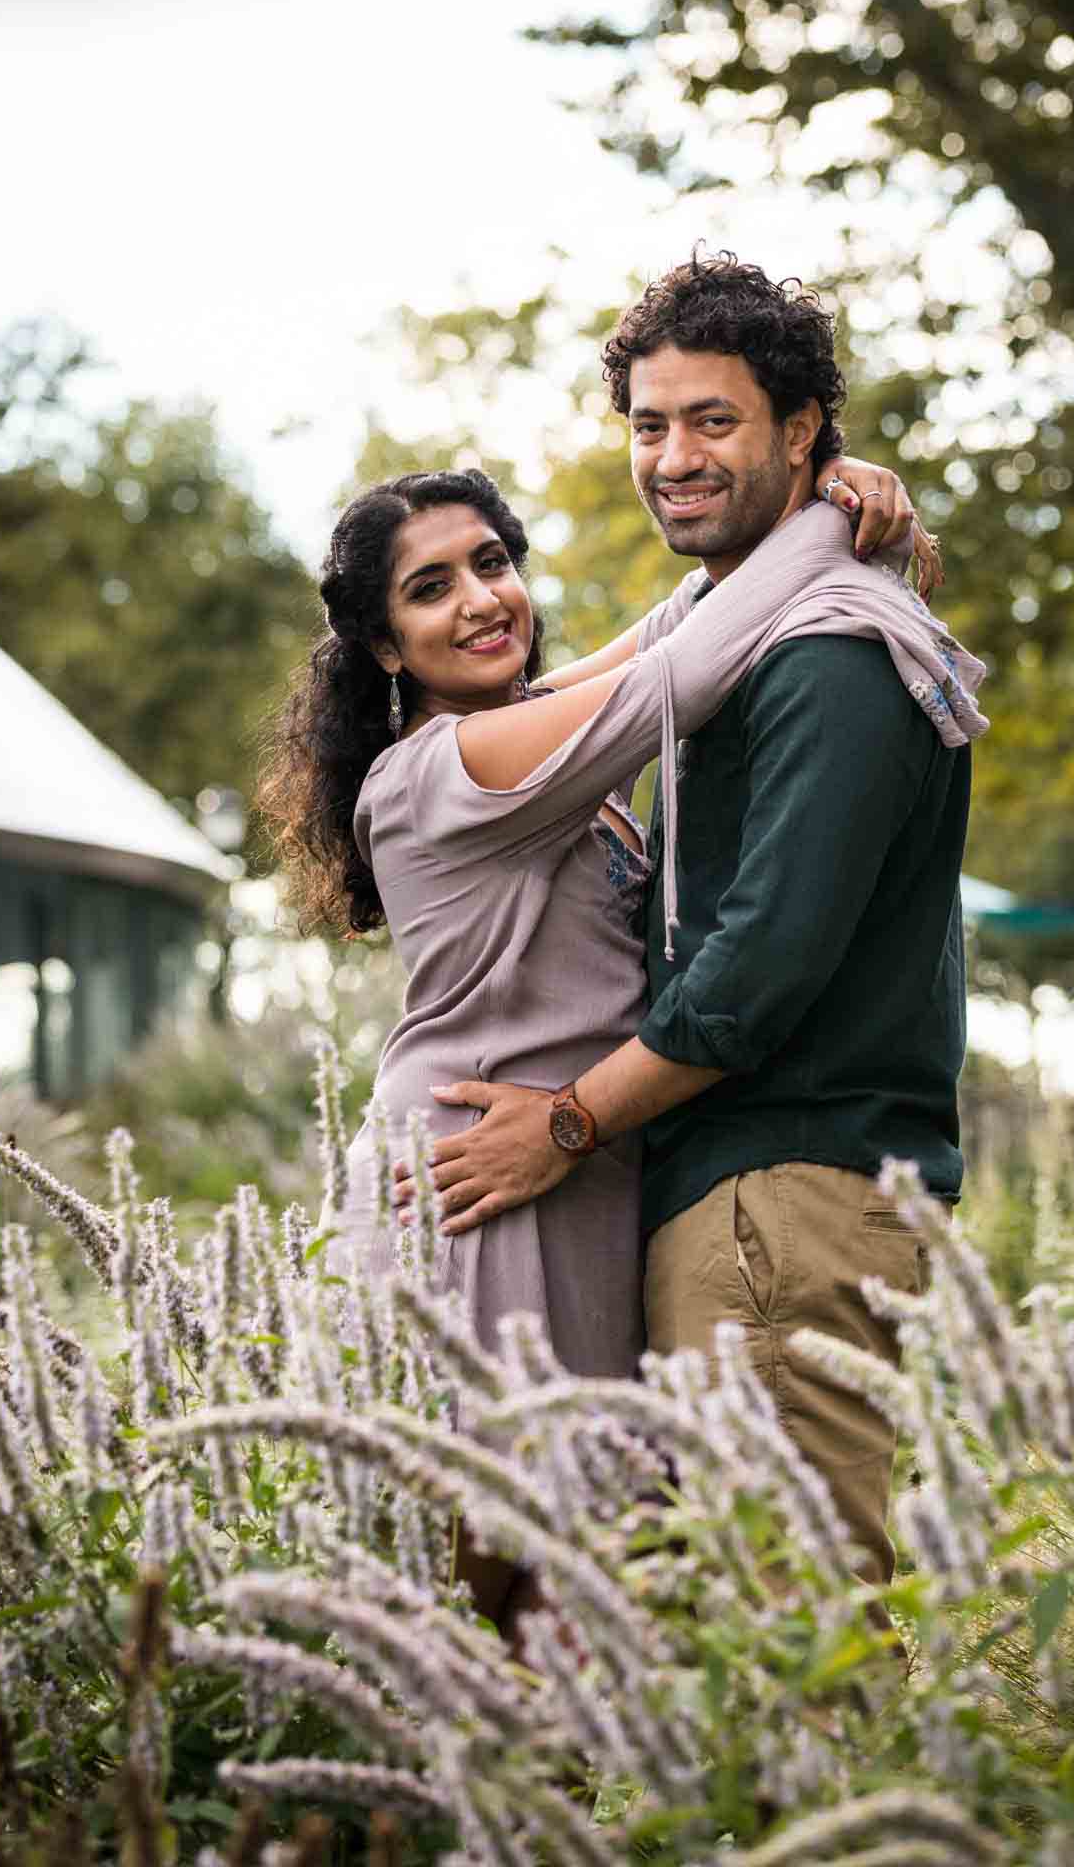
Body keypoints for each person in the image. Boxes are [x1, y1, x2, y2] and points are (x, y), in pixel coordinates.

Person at [401, 252, 988, 1590]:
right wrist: (834, 519)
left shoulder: (832, 659)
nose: (671, 457)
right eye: (648, 425)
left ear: (799, 432)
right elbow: (649, 664)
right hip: (729, 1193)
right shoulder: (757, 629)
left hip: (779, 1200)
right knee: (730, 1648)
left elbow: (755, 972)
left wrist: (566, 1123)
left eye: (711, 421)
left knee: (796, 1644)